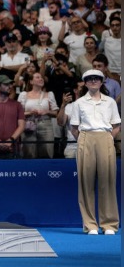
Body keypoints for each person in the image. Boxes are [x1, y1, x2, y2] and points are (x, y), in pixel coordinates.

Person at [69, 69, 120, 235]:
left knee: (108, 181)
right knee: (86, 182)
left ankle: (109, 224)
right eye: (89, 79)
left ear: (101, 81)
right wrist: (85, 140)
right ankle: (90, 224)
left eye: (96, 79)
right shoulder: (79, 103)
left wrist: (107, 139)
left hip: (105, 136)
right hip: (85, 137)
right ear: (85, 82)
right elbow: (74, 128)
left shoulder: (110, 102)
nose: (93, 81)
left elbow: (117, 125)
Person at [17, 72, 58, 159]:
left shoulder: (49, 94)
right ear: (31, 81)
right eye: (37, 77)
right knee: (29, 154)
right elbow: (18, 114)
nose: (41, 79)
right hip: (29, 126)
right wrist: (30, 113)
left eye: (42, 77)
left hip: (46, 125)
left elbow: (56, 113)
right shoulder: (23, 95)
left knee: (47, 153)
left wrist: (46, 111)